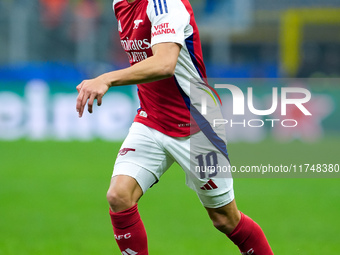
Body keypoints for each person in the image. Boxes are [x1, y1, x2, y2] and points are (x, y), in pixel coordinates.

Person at [76, 0, 273, 254]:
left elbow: (164, 64)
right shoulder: (120, 4)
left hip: (197, 127)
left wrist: (106, 78)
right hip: (151, 120)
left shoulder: (165, 4)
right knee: (119, 196)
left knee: (225, 219)